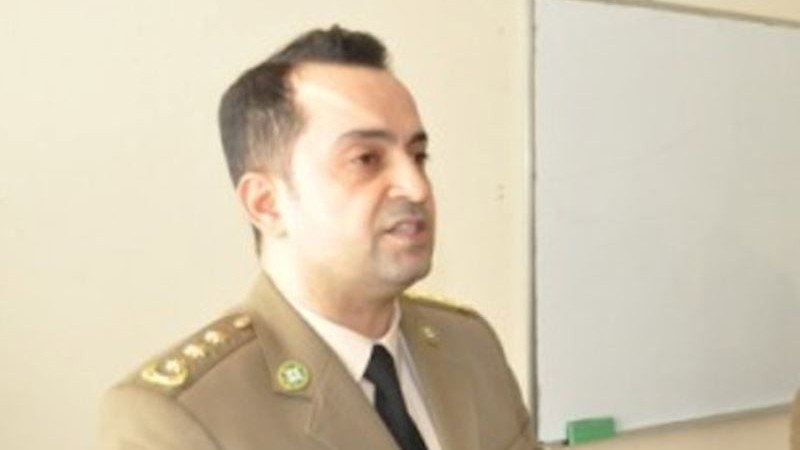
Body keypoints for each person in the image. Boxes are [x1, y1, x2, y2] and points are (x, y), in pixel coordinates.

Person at [98, 26, 535, 450]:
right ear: (266, 203)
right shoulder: (181, 416)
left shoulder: (468, 346)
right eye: (366, 159)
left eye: (418, 156)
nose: (416, 187)